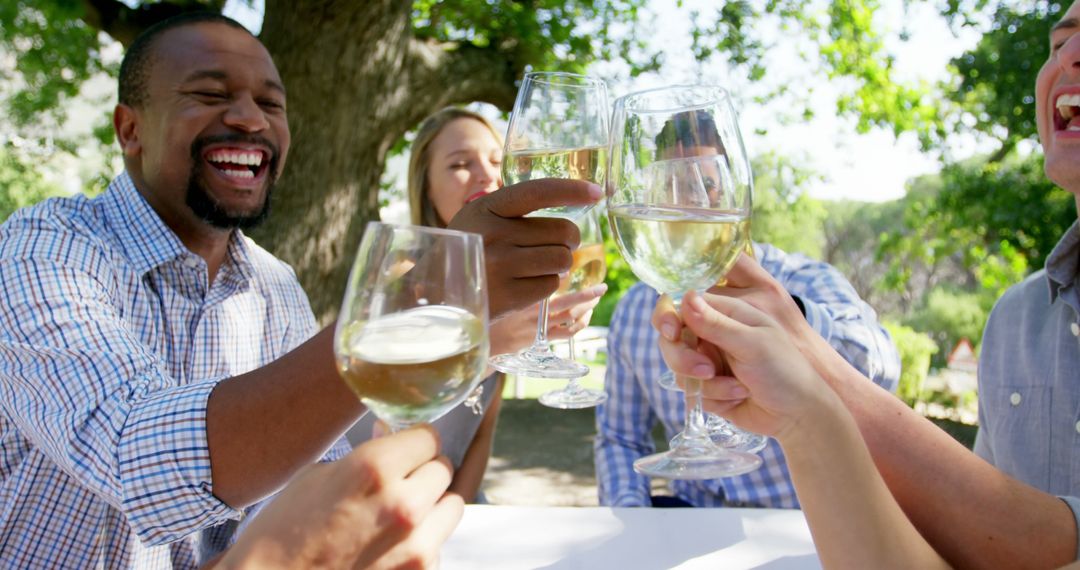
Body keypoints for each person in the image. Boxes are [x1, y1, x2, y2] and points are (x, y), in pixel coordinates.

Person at [0, 12, 602, 568]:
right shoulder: (44, 247)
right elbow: (137, 455)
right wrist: (432, 298)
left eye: (271, 103)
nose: (251, 120)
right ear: (129, 128)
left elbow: (309, 499)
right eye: (210, 95)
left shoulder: (273, 285)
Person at [657, 253, 1079, 567]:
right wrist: (802, 415)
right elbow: (978, 551)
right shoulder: (1018, 315)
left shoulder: (809, 276)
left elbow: (1028, 544)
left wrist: (808, 358)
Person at [594, 108, 901, 510]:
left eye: (707, 185)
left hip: (809, 524)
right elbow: (619, 437)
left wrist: (794, 323)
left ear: (735, 192)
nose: (691, 204)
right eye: (673, 186)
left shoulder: (803, 280)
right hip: (692, 520)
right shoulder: (636, 309)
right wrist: (634, 520)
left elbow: (883, 369)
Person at [347, 108, 605, 503]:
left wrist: (461, 509)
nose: (486, 174)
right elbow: (384, 420)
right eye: (460, 164)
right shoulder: (400, 281)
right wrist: (490, 344)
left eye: (496, 160)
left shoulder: (505, 285)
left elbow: (479, 435)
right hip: (377, 501)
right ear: (426, 186)